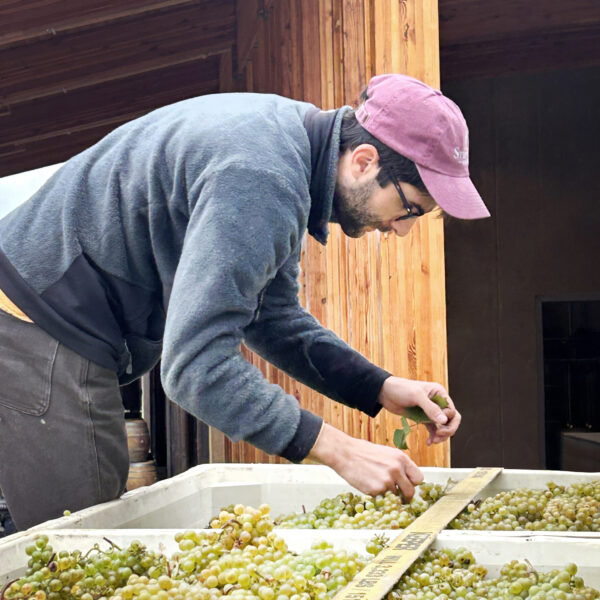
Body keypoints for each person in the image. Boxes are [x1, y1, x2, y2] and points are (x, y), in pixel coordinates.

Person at [0, 73, 489, 531]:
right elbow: (194, 368)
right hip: (36, 323)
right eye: (409, 209)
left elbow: (270, 316)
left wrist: (379, 386)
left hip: (45, 318)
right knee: (81, 549)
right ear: (364, 161)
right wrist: (339, 450)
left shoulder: (288, 146)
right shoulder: (263, 176)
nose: (402, 230)